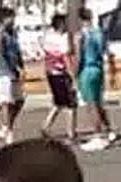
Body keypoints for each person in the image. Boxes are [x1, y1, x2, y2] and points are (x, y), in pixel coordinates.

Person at [75, 7, 117, 152]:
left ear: (80, 19)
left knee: (91, 104)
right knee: (98, 102)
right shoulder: (99, 33)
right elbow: (109, 53)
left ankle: (98, 135)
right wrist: (113, 73)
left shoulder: (81, 35)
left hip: (87, 70)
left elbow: (79, 57)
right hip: (99, 70)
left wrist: (74, 74)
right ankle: (109, 130)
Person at [40, 13, 77, 143]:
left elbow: (46, 53)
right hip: (61, 73)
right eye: (65, 23)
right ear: (61, 25)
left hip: (51, 72)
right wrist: (73, 75)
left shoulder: (47, 36)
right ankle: (71, 134)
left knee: (59, 102)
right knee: (71, 104)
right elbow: (65, 57)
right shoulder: (63, 38)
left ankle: (45, 125)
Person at [0, 8, 25, 145]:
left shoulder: (13, 33)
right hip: (3, 72)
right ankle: (7, 130)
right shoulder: (0, 34)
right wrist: (8, 69)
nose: (13, 20)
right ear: (4, 19)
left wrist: (21, 66)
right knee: (6, 101)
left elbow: (17, 51)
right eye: (11, 17)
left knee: (20, 100)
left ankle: (7, 125)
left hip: (14, 72)